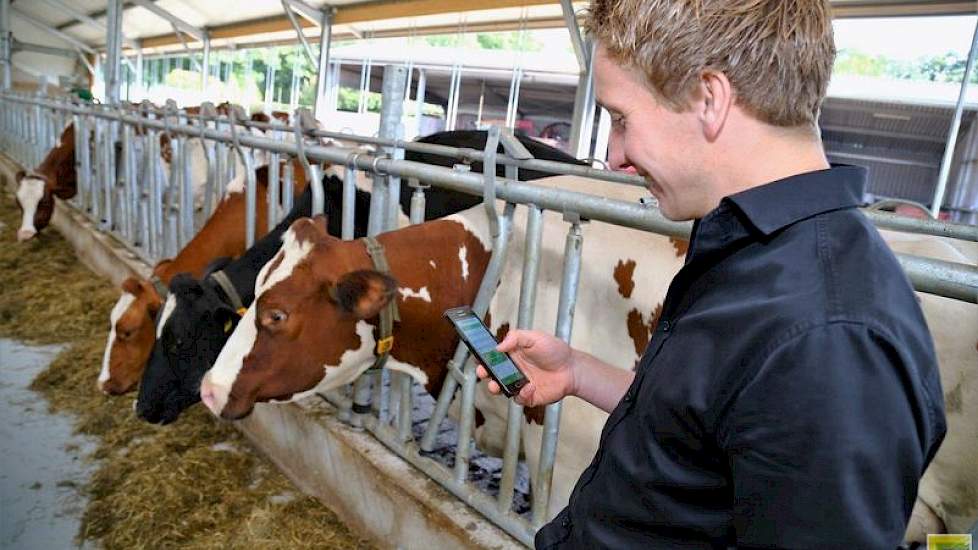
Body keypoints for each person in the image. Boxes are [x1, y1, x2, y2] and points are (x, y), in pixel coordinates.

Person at [476, 1, 947, 548]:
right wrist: (578, 372)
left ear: (709, 99)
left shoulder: (830, 338)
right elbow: (712, 432)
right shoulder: (750, 250)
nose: (615, 154)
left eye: (622, 119)